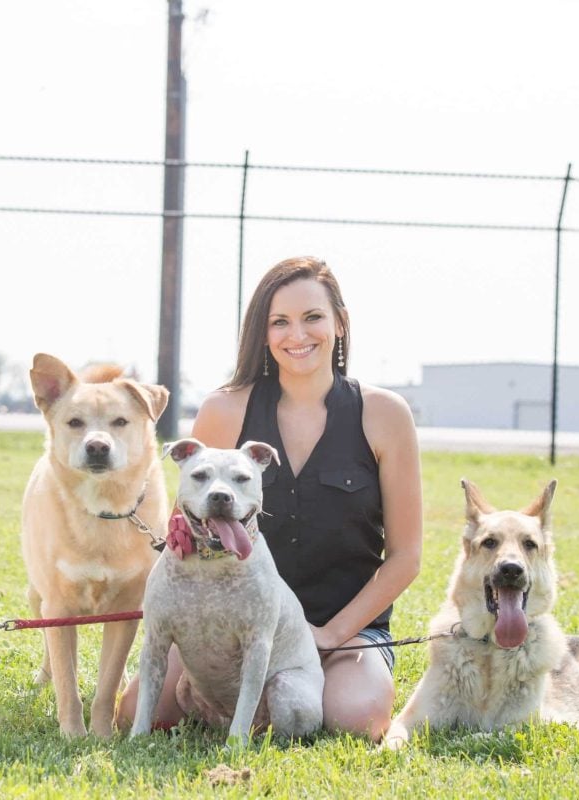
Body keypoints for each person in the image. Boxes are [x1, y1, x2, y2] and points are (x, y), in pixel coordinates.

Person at [117, 256, 422, 741]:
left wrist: (330, 635)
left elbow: (405, 558)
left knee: (356, 718)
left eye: (313, 317)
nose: (296, 335)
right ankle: (231, 704)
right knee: (143, 712)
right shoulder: (224, 409)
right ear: (262, 333)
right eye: (279, 321)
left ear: (340, 323)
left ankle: (295, 694)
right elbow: (190, 522)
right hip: (225, 625)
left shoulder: (384, 414)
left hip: (344, 630)